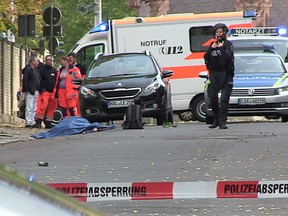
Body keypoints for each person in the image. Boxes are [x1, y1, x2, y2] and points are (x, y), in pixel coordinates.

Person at [204, 23, 235, 129]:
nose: (219, 34)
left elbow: (227, 58)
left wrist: (221, 49)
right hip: (214, 75)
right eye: (217, 32)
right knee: (212, 98)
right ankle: (216, 120)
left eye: (220, 32)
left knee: (224, 99)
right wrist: (211, 49)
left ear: (225, 33)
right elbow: (206, 58)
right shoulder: (212, 45)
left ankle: (223, 122)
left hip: (226, 75)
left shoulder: (228, 45)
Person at [35, 55, 58, 129]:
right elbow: (39, 80)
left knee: (51, 108)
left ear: (52, 61)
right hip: (45, 92)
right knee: (43, 107)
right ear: (45, 60)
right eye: (47, 60)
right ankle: (39, 121)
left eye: (50, 60)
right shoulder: (42, 70)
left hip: (52, 92)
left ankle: (48, 122)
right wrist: (41, 88)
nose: (48, 61)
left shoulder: (54, 70)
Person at [22, 55, 41, 128]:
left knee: (34, 106)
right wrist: (26, 89)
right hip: (30, 90)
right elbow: (25, 80)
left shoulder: (35, 70)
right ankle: (28, 121)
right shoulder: (28, 69)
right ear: (32, 62)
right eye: (36, 61)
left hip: (36, 89)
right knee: (29, 106)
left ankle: (32, 120)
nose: (37, 62)